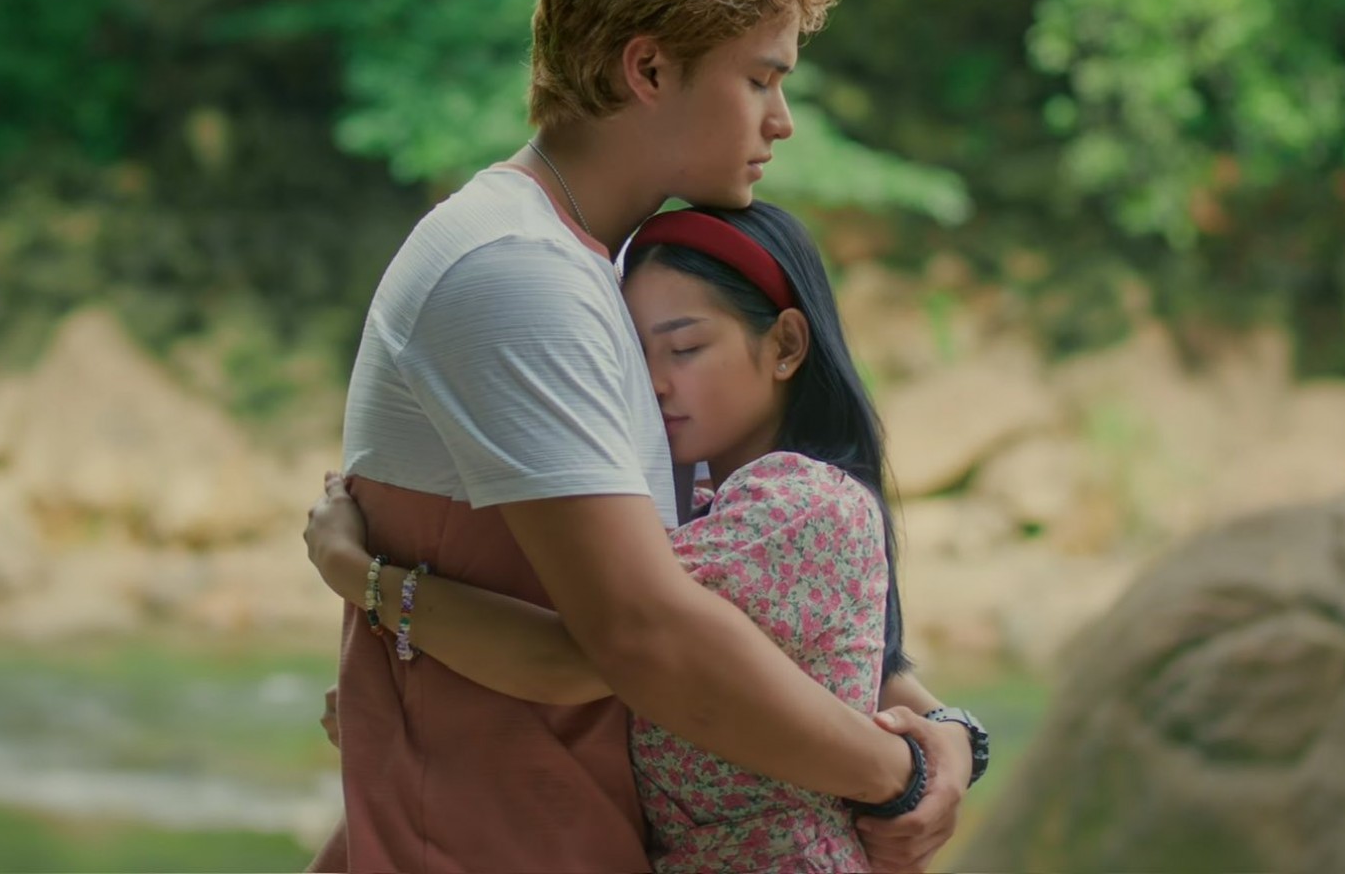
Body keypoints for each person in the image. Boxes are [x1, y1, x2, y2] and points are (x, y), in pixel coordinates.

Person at [300, 0, 986, 872]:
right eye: (760, 80)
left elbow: (743, 607)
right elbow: (638, 635)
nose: (783, 120)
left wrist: (949, 734)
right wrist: (896, 775)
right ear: (650, 69)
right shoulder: (516, 271)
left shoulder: (605, 274)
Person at [313, 200, 992, 870]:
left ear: (786, 346)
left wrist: (356, 573)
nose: (655, 385)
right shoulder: (703, 508)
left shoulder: (795, 504)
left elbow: (576, 653)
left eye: (686, 348)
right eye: (634, 359)